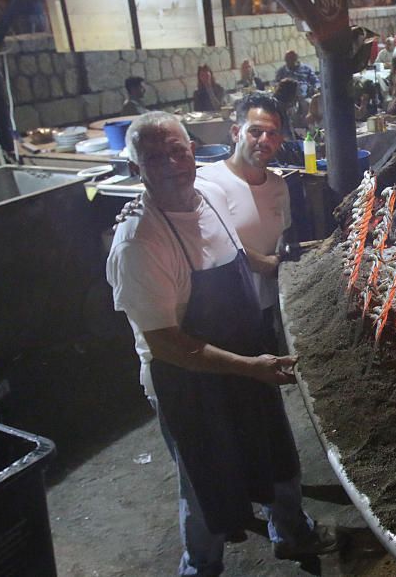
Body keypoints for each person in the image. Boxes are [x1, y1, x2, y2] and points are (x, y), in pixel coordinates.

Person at [106, 112, 336, 576]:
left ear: (193, 150)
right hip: (189, 382)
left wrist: (280, 266)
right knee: (207, 482)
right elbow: (168, 344)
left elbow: (234, 249)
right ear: (136, 171)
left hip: (246, 357)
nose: (170, 164)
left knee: (276, 452)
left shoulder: (208, 192)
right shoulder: (140, 243)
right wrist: (251, 367)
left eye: (176, 150)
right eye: (153, 158)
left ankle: (291, 533)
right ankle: (201, 566)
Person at [197, 94, 295, 316]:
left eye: (272, 134)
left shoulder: (279, 186)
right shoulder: (207, 182)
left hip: (269, 306)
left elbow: (282, 236)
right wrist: (265, 264)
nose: (264, 140)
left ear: (280, 140)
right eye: (255, 131)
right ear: (235, 133)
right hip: (224, 311)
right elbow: (210, 244)